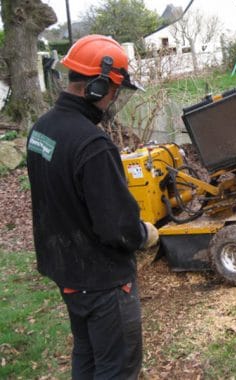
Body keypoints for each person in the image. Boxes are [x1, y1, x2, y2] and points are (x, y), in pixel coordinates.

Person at [26, 34, 158, 379]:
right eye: (114, 92)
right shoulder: (93, 145)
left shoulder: (42, 129)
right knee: (117, 368)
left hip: (68, 272)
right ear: (97, 88)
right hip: (103, 282)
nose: (114, 100)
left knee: (86, 355)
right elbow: (118, 228)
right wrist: (144, 233)